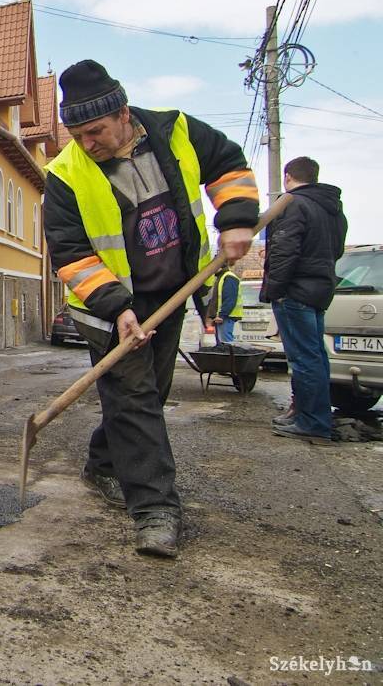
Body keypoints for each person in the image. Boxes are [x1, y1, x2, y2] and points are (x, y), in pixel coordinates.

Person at [43, 60, 258, 559]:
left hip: (170, 292)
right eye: (77, 133)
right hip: (104, 305)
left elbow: (229, 165)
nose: (87, 143)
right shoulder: (65, 175)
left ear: (122, 113)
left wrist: (238, 219)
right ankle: (155, 508)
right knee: (134, 394)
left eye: (94, 131)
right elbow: (72, 255)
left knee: (148, 394)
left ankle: (102, 464)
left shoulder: (175, 131)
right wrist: (117, 307)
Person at [261, 156, 348, 445]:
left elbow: (284, 251)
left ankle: (313, 423)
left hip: (295, 291)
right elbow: (336, 251)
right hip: (320, 289)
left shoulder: (292, 204)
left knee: (304, 358)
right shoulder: (334, 210)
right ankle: (308, 415)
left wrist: (275, 289)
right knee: (316, 357)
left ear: (288, 177)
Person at [209, 264, 242, 344]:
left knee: (226, 343)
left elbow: (230, 298)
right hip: (222, 316)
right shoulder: (221, 277)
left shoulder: (229, 277)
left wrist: (221, 315)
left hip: (226, 316)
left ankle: (229, 356)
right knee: (222, 343)